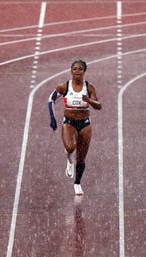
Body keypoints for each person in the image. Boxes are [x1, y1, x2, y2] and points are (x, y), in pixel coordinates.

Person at [48, 60, 102, 196]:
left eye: (80, 69)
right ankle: (69, 160)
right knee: (70, 147)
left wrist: (89, 100)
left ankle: (77, 183)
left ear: (84, 71)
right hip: (69, 122)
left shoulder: (89, 88)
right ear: (71, 71)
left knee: (82, 158)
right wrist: (52, 118)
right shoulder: (65, 86)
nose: (77, 71)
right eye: (75, 69)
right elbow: (51, 99)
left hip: (84, 123)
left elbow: (99, 105)